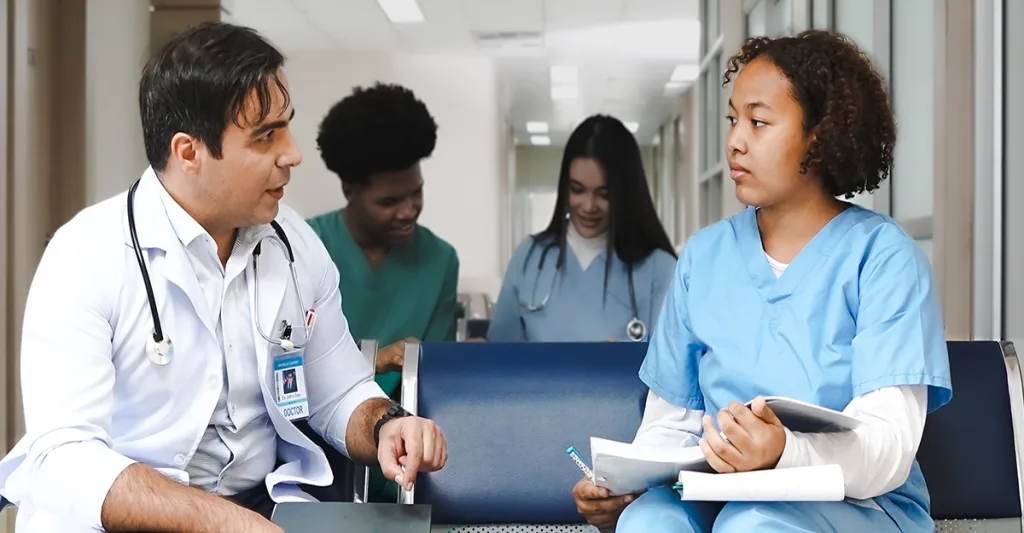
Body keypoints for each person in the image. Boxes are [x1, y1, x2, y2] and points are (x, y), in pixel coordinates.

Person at [0, 23, 447, 533]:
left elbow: (339, 390)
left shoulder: (294, 245)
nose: (293, 153)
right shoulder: (88, 255)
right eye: (266, 136)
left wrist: (387, 424)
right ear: (189, 153)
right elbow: (63, 458)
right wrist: (226, 523)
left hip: (263, 509)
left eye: (287, 127)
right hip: (124, 520)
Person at [572, 30, 951, 532]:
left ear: (821, 134)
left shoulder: (883, 258)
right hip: (714, 490)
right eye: (732, 119)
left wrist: (784, 451)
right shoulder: (704, 257)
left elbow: (887, 448)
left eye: (758, 121)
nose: (734, 140)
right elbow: (672, 422)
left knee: (754, 525)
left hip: (855, 503)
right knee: (649, 523)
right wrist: (625, 483)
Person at [305, 82, 457, 501]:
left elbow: (434, 380)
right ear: (349, 190)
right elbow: (288, 370)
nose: (408, 211)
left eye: (416, 193)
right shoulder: (304, 248)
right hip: (315, 462)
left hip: (406, 462)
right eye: (389, 201)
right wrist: (371, 358)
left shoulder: (441, 260)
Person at [486, 115, 677, 343]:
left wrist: (627, 361)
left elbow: (675, 366)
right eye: (577, 190)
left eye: (604, 194)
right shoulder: (529, 258)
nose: (588, 206)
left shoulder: (659, 269)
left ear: (626, 193)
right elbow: (499, 360)